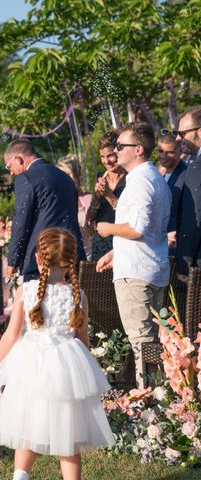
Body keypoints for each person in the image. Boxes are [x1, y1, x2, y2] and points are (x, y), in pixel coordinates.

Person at [0, 228, 113, 480]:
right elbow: (83, 340)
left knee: (27, 425)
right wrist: (86, 372)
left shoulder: (27, 290)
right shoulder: (79, 296)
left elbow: (12, 334)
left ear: (38, 258)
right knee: (69, 436)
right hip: (68, 367)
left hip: (32, 365)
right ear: (72, 260)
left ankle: (20, 475)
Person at [96, 123, 170, 387]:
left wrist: (106, 230)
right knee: (152, 341)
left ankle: (149, 401)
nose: (115, 151)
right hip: (149, 267)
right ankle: (161, 398)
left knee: (142, 341)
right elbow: (147, 228)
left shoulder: (140, 181)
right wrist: (116, 252)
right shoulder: (151, 177)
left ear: (138, 150)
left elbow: (137, 229)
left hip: (137, 274)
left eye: (120, 146)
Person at [3, 140, 85, 281]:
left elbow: (21, 223)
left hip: (42, 259)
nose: (11, 172)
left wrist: (13, 261)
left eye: (9, 166)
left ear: (19, 159)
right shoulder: (64, 177)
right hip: (71, 255)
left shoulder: (25, 178)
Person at [87, 130, 126, 262]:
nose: (106, 161)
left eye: (110, 155)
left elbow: (130, 214)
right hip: (100, 243)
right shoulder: (100, 177)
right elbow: (89, 219)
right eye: (102, 156)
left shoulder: (131, 177)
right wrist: (97, 197)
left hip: (122, 242)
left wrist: (109, 195)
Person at [174, 107, 201, 279]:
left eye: (182, 133)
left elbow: (195, 217)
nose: (177, 138)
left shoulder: (197, 167)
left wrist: (184, 262)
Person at [56, 155, 93, 259]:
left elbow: (95, 232)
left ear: (75, 177)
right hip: (63, 260)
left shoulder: (88, 199)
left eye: (65, 175)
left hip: (87, 258)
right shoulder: (54, 202)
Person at [156, 132, 185, 256]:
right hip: (160, 245)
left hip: (176, 247)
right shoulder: (158, 175)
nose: (163, 156)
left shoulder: (187, 175)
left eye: (170, 152)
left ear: (180, 151)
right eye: (160, 151)